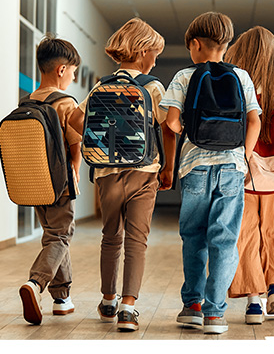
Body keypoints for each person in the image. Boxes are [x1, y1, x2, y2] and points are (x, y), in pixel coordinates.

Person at [68, 18, 176, 331]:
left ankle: (107, 299)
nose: (155, 59)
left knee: (110, 237)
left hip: (105, 174)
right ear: (143, 51)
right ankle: (128, 308)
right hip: (143, 172)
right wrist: (168, 166)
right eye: (154, 53)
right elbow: (168, 125)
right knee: (137, 240)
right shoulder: (152, 87)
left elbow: (75, 118)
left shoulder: (102, 85)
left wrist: (100, 142)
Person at [160, 11, 261, 334]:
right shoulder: (242, 76)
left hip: (195, 167)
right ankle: (215, 313)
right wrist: (242, 156)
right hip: (232, 166)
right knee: (225, 238)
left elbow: (171, 122)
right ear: (226, 45)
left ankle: (192, 305)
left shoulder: (184, 76)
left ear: (194, 44)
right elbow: (255, 121)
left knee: (194, 237)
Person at [225, 26, 274, 324]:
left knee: (245, 232)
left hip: (243, 170)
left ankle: (253, 300)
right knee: (273, 228)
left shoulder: (236, 85)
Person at [18, 34, 82, 325]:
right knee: (60, 235)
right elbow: (75, 145)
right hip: (59, 182)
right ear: (61, 70)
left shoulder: (26, 101)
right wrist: (76, 172)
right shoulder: (65, 103)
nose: (72, 77)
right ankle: (36, 283)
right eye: (73, 71)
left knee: (54, 235)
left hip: (32, 181)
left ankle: (62, 298)